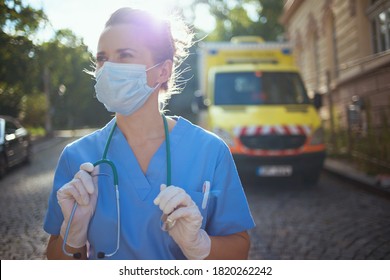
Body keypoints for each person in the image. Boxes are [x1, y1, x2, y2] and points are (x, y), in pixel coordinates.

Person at [43, 7, 255, 260]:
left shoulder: (210, 151)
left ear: (163, 71)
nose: (108, 67)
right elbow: (56, 258)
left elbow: (239, 248)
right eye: (102, 58)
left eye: (125, 55)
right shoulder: (77, 156)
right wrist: (73, 233)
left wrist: (199, 245)